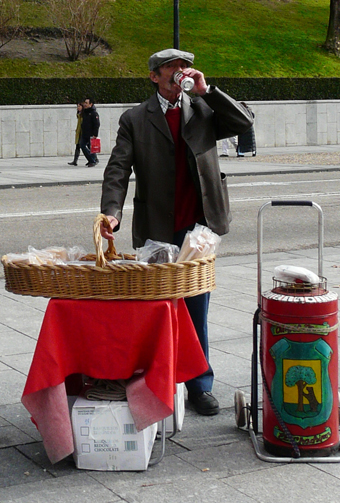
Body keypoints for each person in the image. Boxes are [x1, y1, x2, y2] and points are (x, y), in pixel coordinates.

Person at [99, 48, 254, 416]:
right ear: (155, 76)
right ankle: (162, 381)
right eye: (172, 67)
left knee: (197, 307)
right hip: (157, 228)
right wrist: (111, 212)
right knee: (159, 310)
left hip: (199, 228)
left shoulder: (203, 108)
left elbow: (244, 122)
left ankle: (200, 384)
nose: (180, 71)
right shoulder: (135, 118)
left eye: (184, 66)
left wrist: (208, 91)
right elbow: (118, 169)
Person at [78, 97, 100, 167]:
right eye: (85, 103)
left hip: (90, 134)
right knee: (83, 145)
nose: (85, 104)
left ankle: (92, 160)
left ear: (91, 104)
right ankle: (92, 159)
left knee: (89, 147)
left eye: (87, 103)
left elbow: (97, 124)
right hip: (84, 134)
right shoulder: (85, 113)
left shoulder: (94, 113)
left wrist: (95, 134)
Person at [67, 101, 83, 166]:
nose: (78, 108)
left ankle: (94, 159)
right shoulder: (79, 114)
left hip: (83, 133)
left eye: (79, 106)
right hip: (79, 132)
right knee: (78, 146)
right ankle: (75, 161)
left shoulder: (84, 115)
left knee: (86, 147)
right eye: (77, 106)